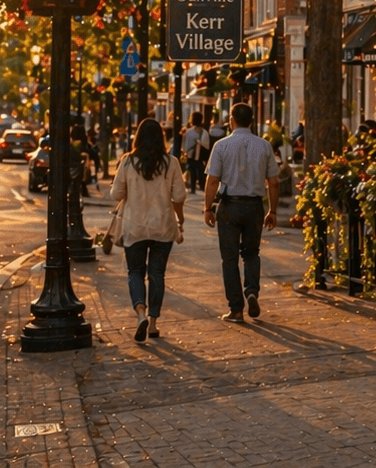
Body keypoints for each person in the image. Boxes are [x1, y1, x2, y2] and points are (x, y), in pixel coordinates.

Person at [202, 103, 281, 323]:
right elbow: (273, 182)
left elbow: (212, 180)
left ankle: (236, 309)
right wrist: (272, 211)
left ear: (232, 120)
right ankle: (252, 291)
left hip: (229, 207)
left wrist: (207, 208)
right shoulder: (264, 146)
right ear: (252, 120)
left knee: (229, 259)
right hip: (254, 206)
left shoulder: (221, 146)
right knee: (251, 253)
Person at [110, 118, 186, 342]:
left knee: (135, 272)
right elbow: (179, 197)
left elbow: (115, 195)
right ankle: (153, 323)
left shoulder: (127, 162)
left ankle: (140, 313)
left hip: (135, 227)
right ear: (162, 138)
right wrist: (180, 219)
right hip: (163, 227)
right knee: (157, 274)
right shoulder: (171, 163)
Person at [181, 113, 206, 194]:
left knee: (192, 171)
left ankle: (193, 188)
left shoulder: (188, 132)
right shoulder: (204, 131)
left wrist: (185, 152)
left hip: (190, 155)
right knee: (200, 171)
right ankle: (203, 187)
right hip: (200, 156)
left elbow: (184, 146)